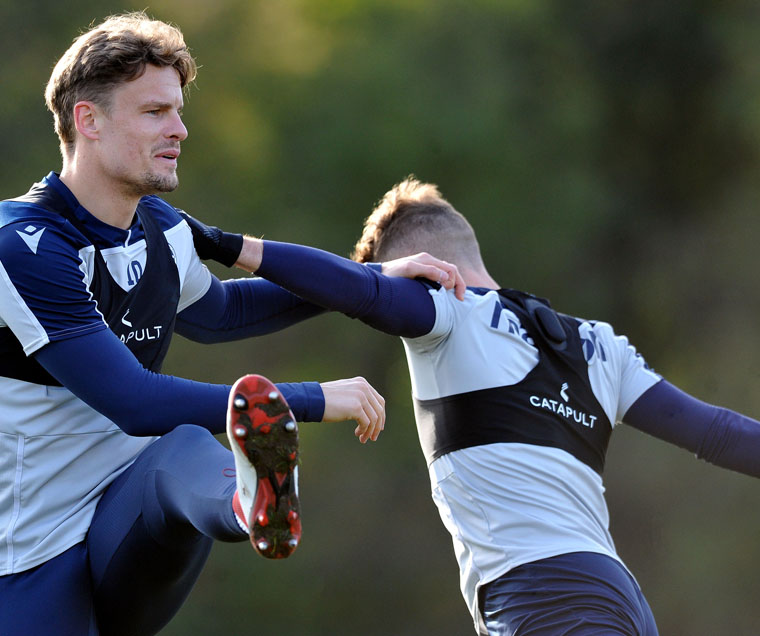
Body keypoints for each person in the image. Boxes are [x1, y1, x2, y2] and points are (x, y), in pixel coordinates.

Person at [0, 12, 460, 636]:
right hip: (19, 551)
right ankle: (246, 484)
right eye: (155, 112)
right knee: (174, 428)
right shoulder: (23, 244)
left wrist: (367, 279)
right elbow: (133, 402)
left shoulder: (161, 227)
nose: (180, 130)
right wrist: (310, 399)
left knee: (182, 447)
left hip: (125, 519)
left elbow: (222, 313)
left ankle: (249, 504)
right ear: (88, 121)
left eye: (179, 112)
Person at [185, 176, 760, 635]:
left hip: (543, 597)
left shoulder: (450, 311)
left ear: (423, 269)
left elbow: (359, 289)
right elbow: (722, 434)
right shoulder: (598, 344)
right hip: (619, 596)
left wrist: (224, 245)